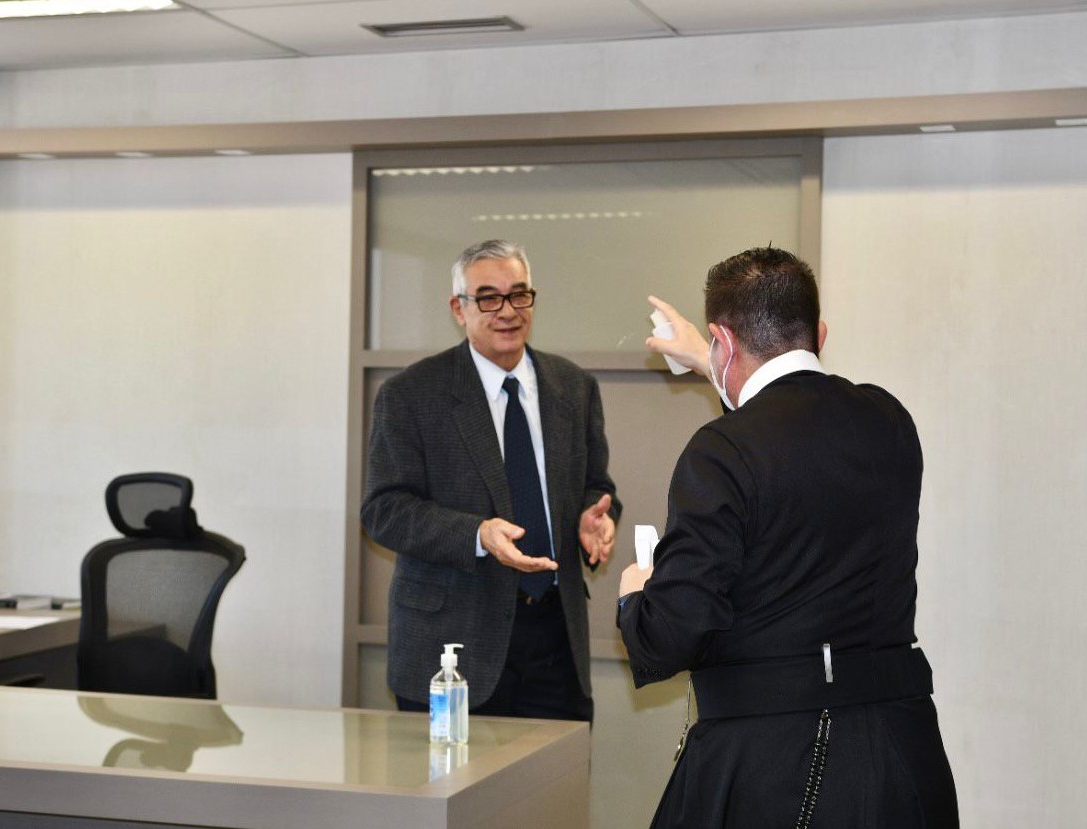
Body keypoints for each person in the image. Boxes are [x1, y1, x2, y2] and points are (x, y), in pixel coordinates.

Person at [617, 247, 958, 827]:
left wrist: (635, 596)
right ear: (819, 333)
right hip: (904, 755)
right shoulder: (889, 421)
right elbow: (798, 427)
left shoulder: (721, 451)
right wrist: (709, 359)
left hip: (774, 766)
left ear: (724, 340)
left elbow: (674, 633)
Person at [362, 239, 620, 723]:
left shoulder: (572, 386)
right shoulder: (411, 394)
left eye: (519, 294)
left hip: (555, 641)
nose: (507, 311)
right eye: (488, 297)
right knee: (451, 794)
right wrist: (477, 534)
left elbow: (596, 485)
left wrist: (593, 517)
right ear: (458, 309)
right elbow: (385, 510)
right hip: (453, 643)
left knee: (549, 794)